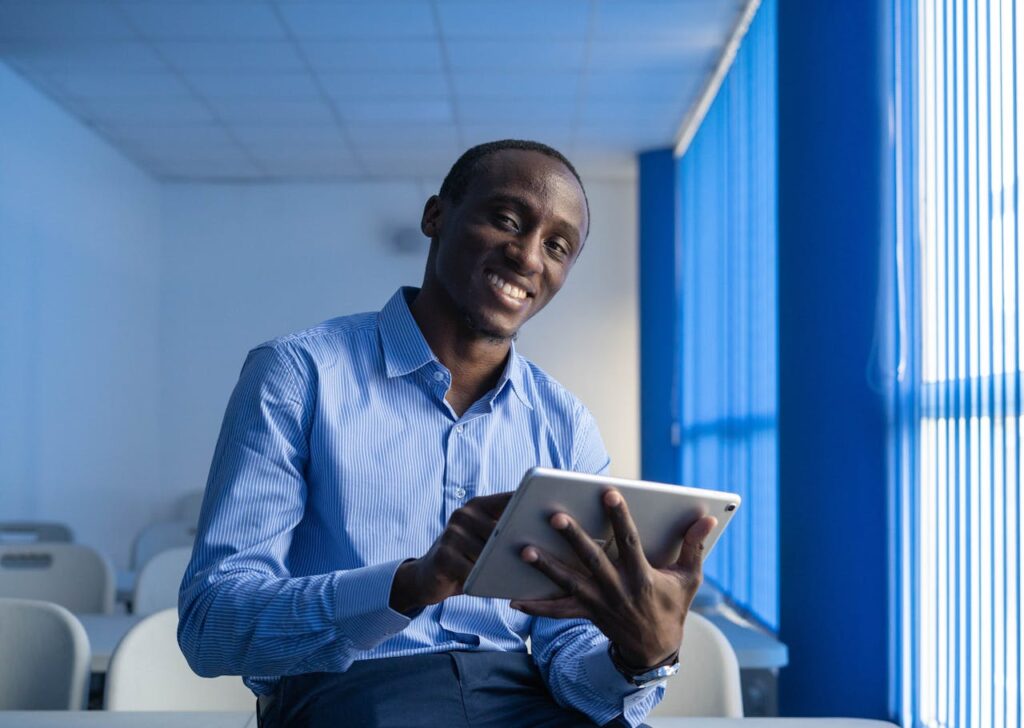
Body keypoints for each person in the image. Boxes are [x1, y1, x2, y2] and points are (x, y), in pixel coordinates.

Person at [177, 140, 717, 728]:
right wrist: (407, 584)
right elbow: (211, 625)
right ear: (436, 215)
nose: (529, 257)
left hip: (521, 701)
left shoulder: (565, 424)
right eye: (507, 220)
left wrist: (639, 656)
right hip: (347, 697)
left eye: (557, 246)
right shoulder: (298, 374)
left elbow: (569, 661)